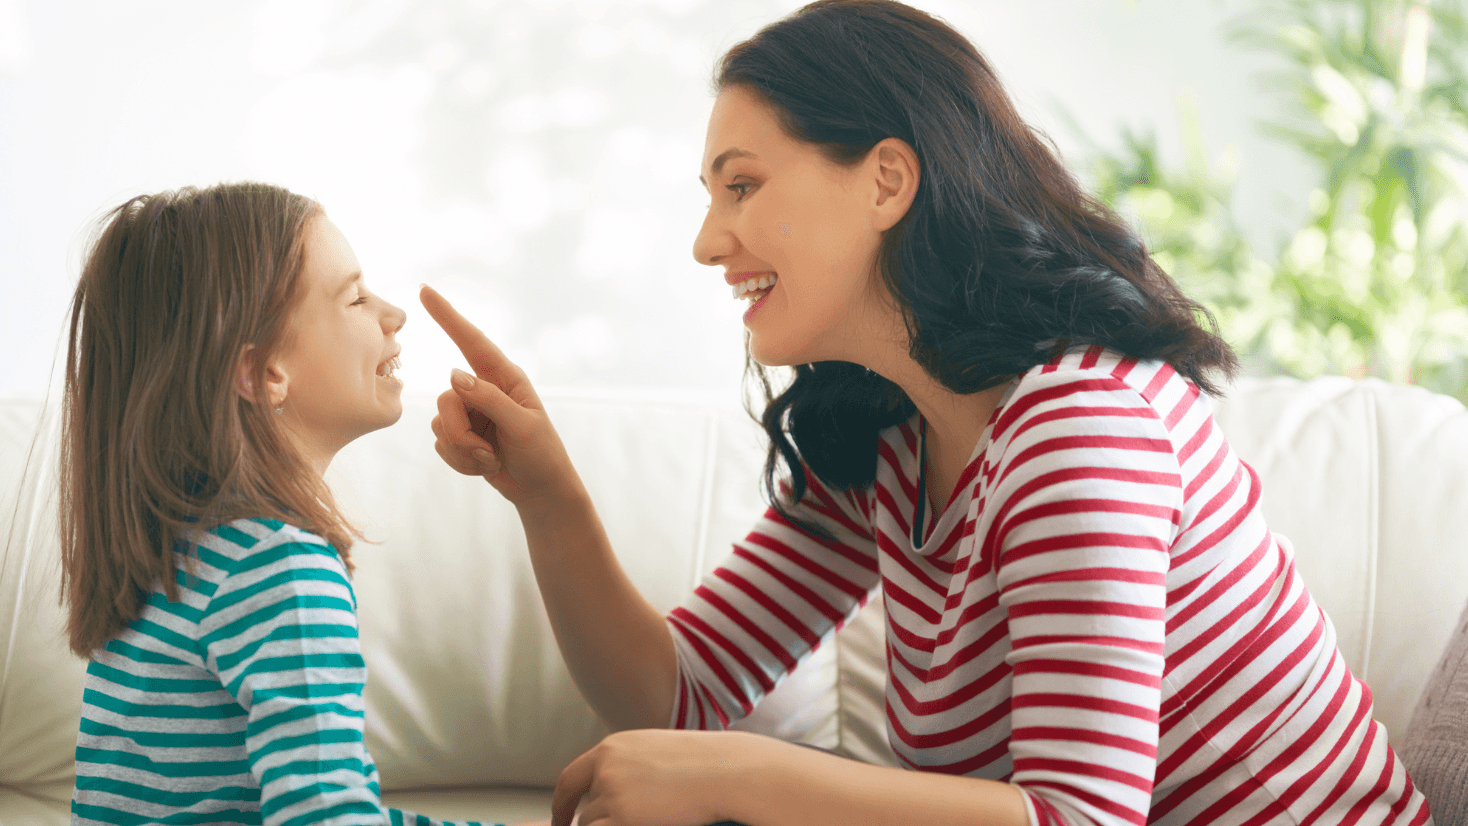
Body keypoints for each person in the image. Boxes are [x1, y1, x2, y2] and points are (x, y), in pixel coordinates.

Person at [422, 1, 1435, 824]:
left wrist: (737, 776)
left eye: (742, 185)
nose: (706, 241)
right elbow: (673, 695)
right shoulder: (887, 435)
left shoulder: (1079, 428)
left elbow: (1077, 818)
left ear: (887, 180)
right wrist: (547, 494)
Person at [57, 182, 530, 826]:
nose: (394, 313)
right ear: (262, 372)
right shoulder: (279, 567)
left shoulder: (176, 551)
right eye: (356, 297)